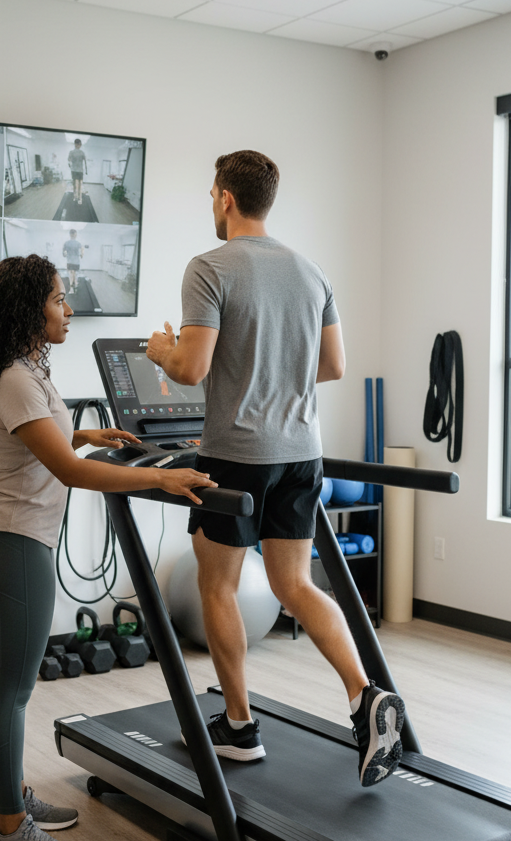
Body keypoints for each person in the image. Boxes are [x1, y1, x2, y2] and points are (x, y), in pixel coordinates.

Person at [146, 150, 405, 788]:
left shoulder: (208, 268)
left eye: (212, 194)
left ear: (227, 199)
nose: (212, 204)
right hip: (301, 453)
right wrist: (275, 370)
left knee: (218, 586)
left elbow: (191, 370)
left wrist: (161, 351)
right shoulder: (310, 271)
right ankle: (363, 696)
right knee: (295, 585)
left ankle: (239, 727)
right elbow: (333, 365)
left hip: (234, 455)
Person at [0, 254, 216, 841]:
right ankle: (10, 830)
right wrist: (166, 477)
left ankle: (11, 799)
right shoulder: (17, 378)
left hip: (14, 539)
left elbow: (47, 441)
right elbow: (67, 473)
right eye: (57, 300)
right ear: (28, 311)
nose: (67, 309)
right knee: (13, 691)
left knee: (12, 686)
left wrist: (87, 435)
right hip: (11, 542)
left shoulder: (23, 370)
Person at [67, 138, 87, 204]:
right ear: (76, 144)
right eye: (79, 144)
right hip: (77, 171)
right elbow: (69, 161)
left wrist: (71, 167)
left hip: (77, 171)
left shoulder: (80, 153)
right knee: (77, 185)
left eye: (80, 144)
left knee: (77, 185)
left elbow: (69, 162)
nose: (79, 145)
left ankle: (77, 197)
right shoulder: (73, 152)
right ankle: (77, 197)